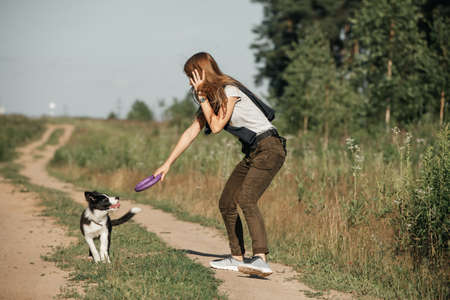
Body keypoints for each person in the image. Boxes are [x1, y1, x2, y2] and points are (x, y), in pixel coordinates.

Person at [153, 52, 286, 277]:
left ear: (201, 73)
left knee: (246, 198)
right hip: (254, 152)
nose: (189, 82)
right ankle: (236, 258)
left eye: (191, 76)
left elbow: (215, 127)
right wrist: (167, 164)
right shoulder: (212, 99)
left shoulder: (230, 91)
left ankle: (261, 259)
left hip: (269, 148)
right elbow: (191, 132)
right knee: (226, 202)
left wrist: (202, 96)